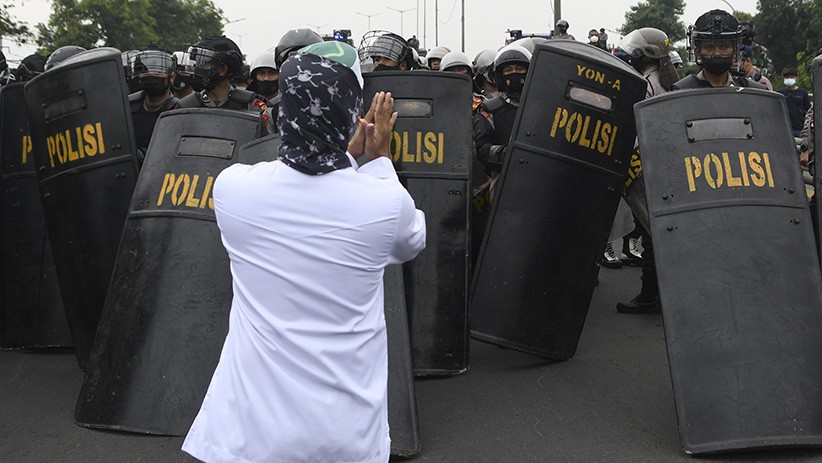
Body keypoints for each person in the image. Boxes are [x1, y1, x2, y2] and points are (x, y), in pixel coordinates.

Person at [182, 40, 426, 463]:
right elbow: (410, 241)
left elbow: (304, 191)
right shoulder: (384, 204)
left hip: (244, 435)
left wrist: (345, 158)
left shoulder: (233, 188)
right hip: (343, 437)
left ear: (283, 113)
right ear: (351, 115)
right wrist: (378, 160)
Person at [614, 27, 678, 310]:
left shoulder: (645, 84)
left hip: (646, 164)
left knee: (653, 232)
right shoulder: (665, 80)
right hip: (666, 162)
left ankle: (650, 294)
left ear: (644, 54)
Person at [473, 45, 530, 183]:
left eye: (520, 68)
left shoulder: (543, 107)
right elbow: (482, 150)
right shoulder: (489, 110)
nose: (514, 73)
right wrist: (510, 154)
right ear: (499, 75)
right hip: (504, 180)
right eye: (508, 70)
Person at [177, 36, 259, 111]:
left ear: (223, 70)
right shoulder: (185, 105)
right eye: (197, 65)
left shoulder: (250, 104)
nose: (197, 70)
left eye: (203, 65)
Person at [128, 46, 179, 163]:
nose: (151, 74)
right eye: (145, 70)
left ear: (172, 77)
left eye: (158, 70)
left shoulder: (180, 110)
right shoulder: (128, 107)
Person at [778, 67, 811, 137]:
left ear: (797, 78)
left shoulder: (803, 93)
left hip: (800, 128)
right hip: (785, 128)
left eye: (791, 77)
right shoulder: (780, 93)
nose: (789, 79)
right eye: (787, 77)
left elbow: (808, 110)